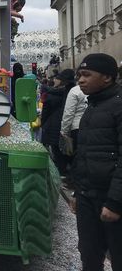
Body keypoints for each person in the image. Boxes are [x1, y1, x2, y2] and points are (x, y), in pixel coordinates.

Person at [70, 53, 122, 271]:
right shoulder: (92, 106)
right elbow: (84, 154)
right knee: (89, 255)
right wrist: (77, 192)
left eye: (86, 75)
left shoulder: (117, 107)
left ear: (107, 78)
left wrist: (115, 203)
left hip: (111, 201)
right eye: (78, 75)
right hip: (87, 197)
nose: (80, 80)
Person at [40, 68, 76, 177]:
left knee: (57, 152)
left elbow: (46, 111)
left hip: (54, 126)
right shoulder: (73, 91)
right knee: (67, 152)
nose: (55, 80)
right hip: (68, 126)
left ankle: (61, 174)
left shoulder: (54, 93)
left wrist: (43, 123)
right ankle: (66, 173)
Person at [59, 82, 87, 158]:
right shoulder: (99, 89)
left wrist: (64, 131)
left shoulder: (75, 91)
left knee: (76, 155)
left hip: (76, 127)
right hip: (93, 127)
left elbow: (69, 113)